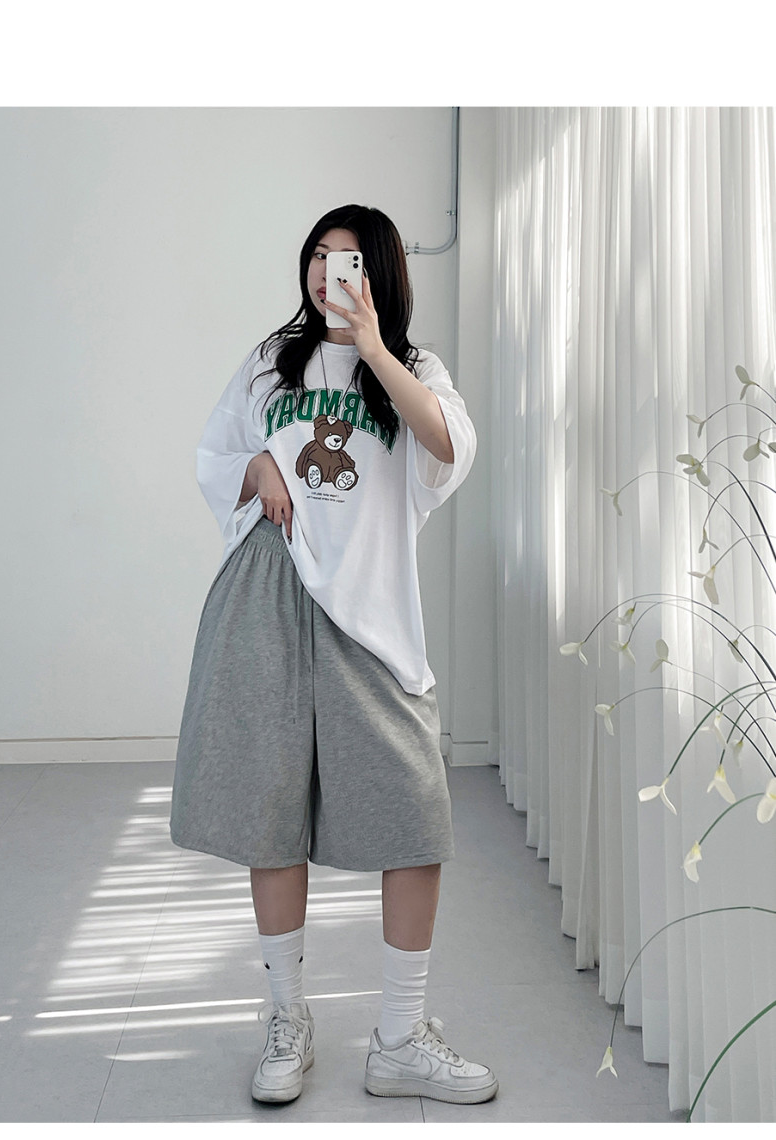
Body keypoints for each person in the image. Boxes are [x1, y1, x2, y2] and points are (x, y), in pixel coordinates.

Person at [170, 204, 498, 1107]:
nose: (327, 272)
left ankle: (399, 1038)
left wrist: (376, 348)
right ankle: (287, 1018)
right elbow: (215, 451)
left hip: (371, 611)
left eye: (347, 259)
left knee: (414, 817)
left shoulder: (415, 369)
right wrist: (257, 469)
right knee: (270, 810)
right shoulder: (271, 360)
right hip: (267, 588)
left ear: (379, 271)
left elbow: (448, 445)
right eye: (318, 256)